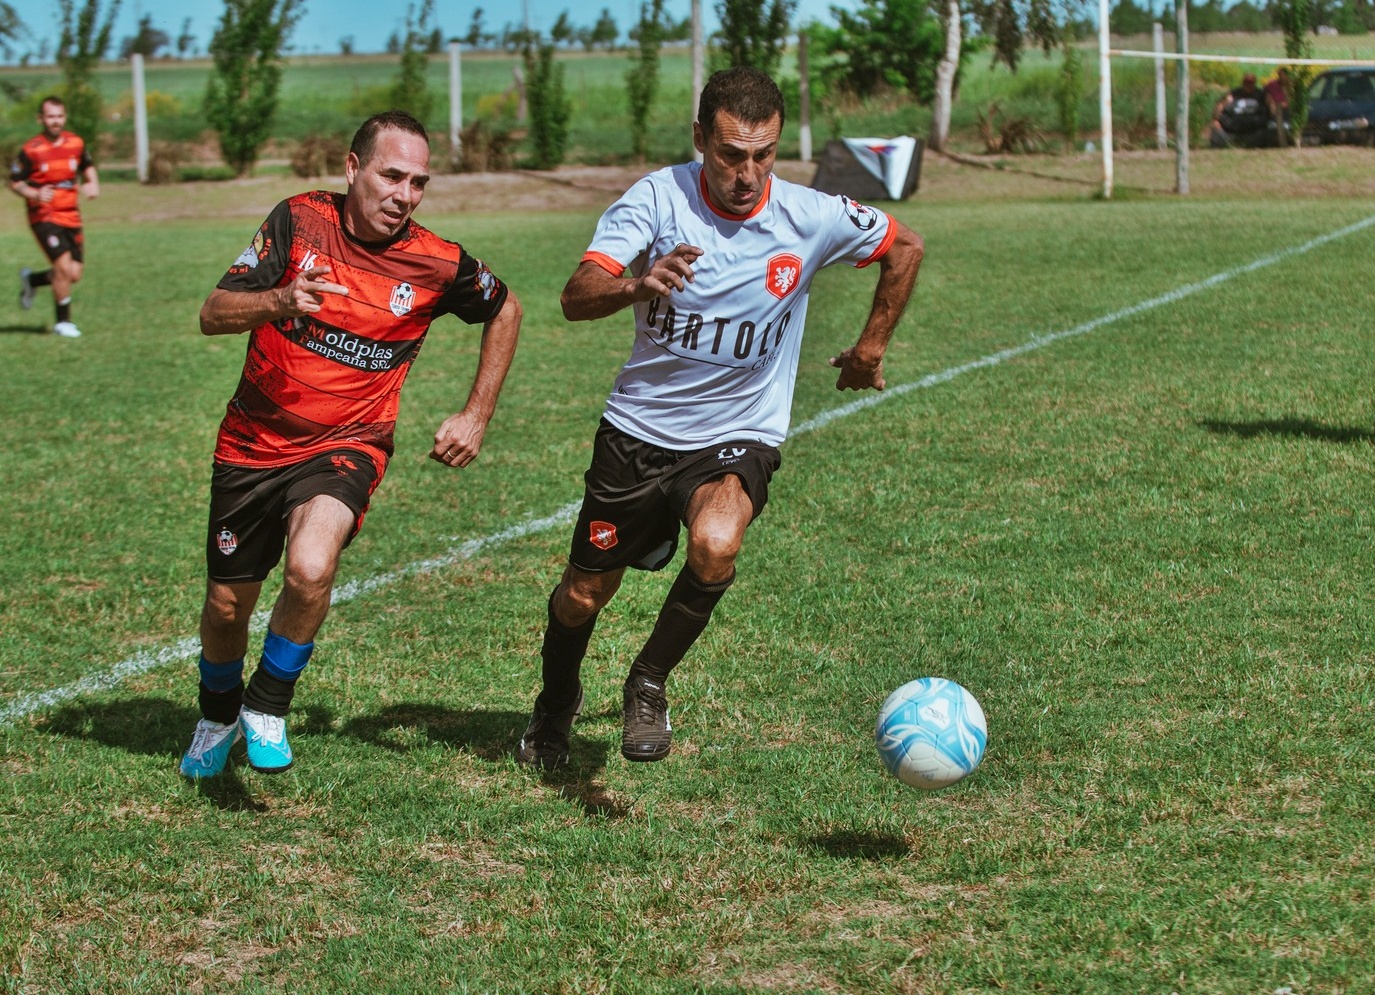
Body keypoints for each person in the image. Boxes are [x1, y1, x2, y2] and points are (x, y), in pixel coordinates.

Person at [515, 66, 924, 768]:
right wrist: (636, 284)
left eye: (764, 154)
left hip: (740, 431)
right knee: (583, 594)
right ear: (701, 138)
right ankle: (555, 704)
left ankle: (648, 682)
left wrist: (870, 348)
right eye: (731, 154)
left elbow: (904, 247)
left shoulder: (809, 215)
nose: (747, 173)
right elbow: (575, 296)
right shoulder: (657, 198)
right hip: (639, 431)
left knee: (716, 540)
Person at [180, 109, 522, 779]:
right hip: (252, 443)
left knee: (311, 567)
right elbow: (212, 313)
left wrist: (476, 414)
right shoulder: (298, 220)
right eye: (391, 176)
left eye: (418, 182)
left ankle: (268, 704)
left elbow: (505, 308)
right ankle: (217, 714)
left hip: (349, 443)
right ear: (352, 167)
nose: (404, 195)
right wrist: (280, 301)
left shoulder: (436, 260)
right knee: (226, 606)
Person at [8, 95, 99, 338]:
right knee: (62, 266)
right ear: (41, 119)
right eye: (50, 116)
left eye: (59, 116)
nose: (55, 121)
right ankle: (63, 322)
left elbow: (87, 165)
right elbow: (14, 182)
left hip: (71, 215)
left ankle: (32, 281)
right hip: (44, 216)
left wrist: (92, 182)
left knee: (73, 273)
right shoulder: (32, 150)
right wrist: (35, 194)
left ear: (65, 117)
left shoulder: (75, 143)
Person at [1209, 73, 1270, 148]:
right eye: (1246, 82)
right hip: (1231, 128)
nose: (1248, 85)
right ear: (1242, 83)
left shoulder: (1261, 95)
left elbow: (1270, 108)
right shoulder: (1233, 94)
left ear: (1254, 83)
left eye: (1251, 83)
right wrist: (1215, 120)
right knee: (1217, 134)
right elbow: (1220, 106)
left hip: (1254, 129)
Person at [1264, 68, 1291, 147]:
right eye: (1281, 75)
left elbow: (1290, 101)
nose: (1283, 77)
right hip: (1274, 111)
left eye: (1285, 75)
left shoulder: (1291, 87)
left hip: (1286, 112)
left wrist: (1283, 104)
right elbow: (1267, 98)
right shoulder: (1272, 85)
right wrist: (1271, 103)